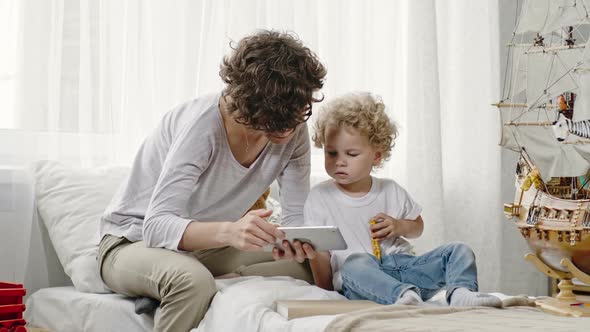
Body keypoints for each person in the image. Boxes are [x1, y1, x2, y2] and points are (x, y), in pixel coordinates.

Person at [97, 30, 327, 332]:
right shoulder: (202, 126)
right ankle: (185, 283)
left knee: (308, 265)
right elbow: (156, 227)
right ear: (250, 103)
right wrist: (231, 231)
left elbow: (297, 218)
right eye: (279, 119)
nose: (289, 131)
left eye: (298, 115)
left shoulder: (292, 128)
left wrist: (297, 241)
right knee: (191, 282)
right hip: (131, 242)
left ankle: (180, 287)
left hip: (203, 250)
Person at [299, 92, 502, 307]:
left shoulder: (390, 190)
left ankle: (460, 294)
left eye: (351, 154)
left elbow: (418, 228)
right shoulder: (320, 197)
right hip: (363, 281)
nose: (340, 162)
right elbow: (319, 253)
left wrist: (398, 226)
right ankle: (400, 296)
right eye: (332, 153)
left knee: (459, 250)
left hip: (404, 269)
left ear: (376, 156)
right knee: (354, 262)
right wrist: (326, 294)